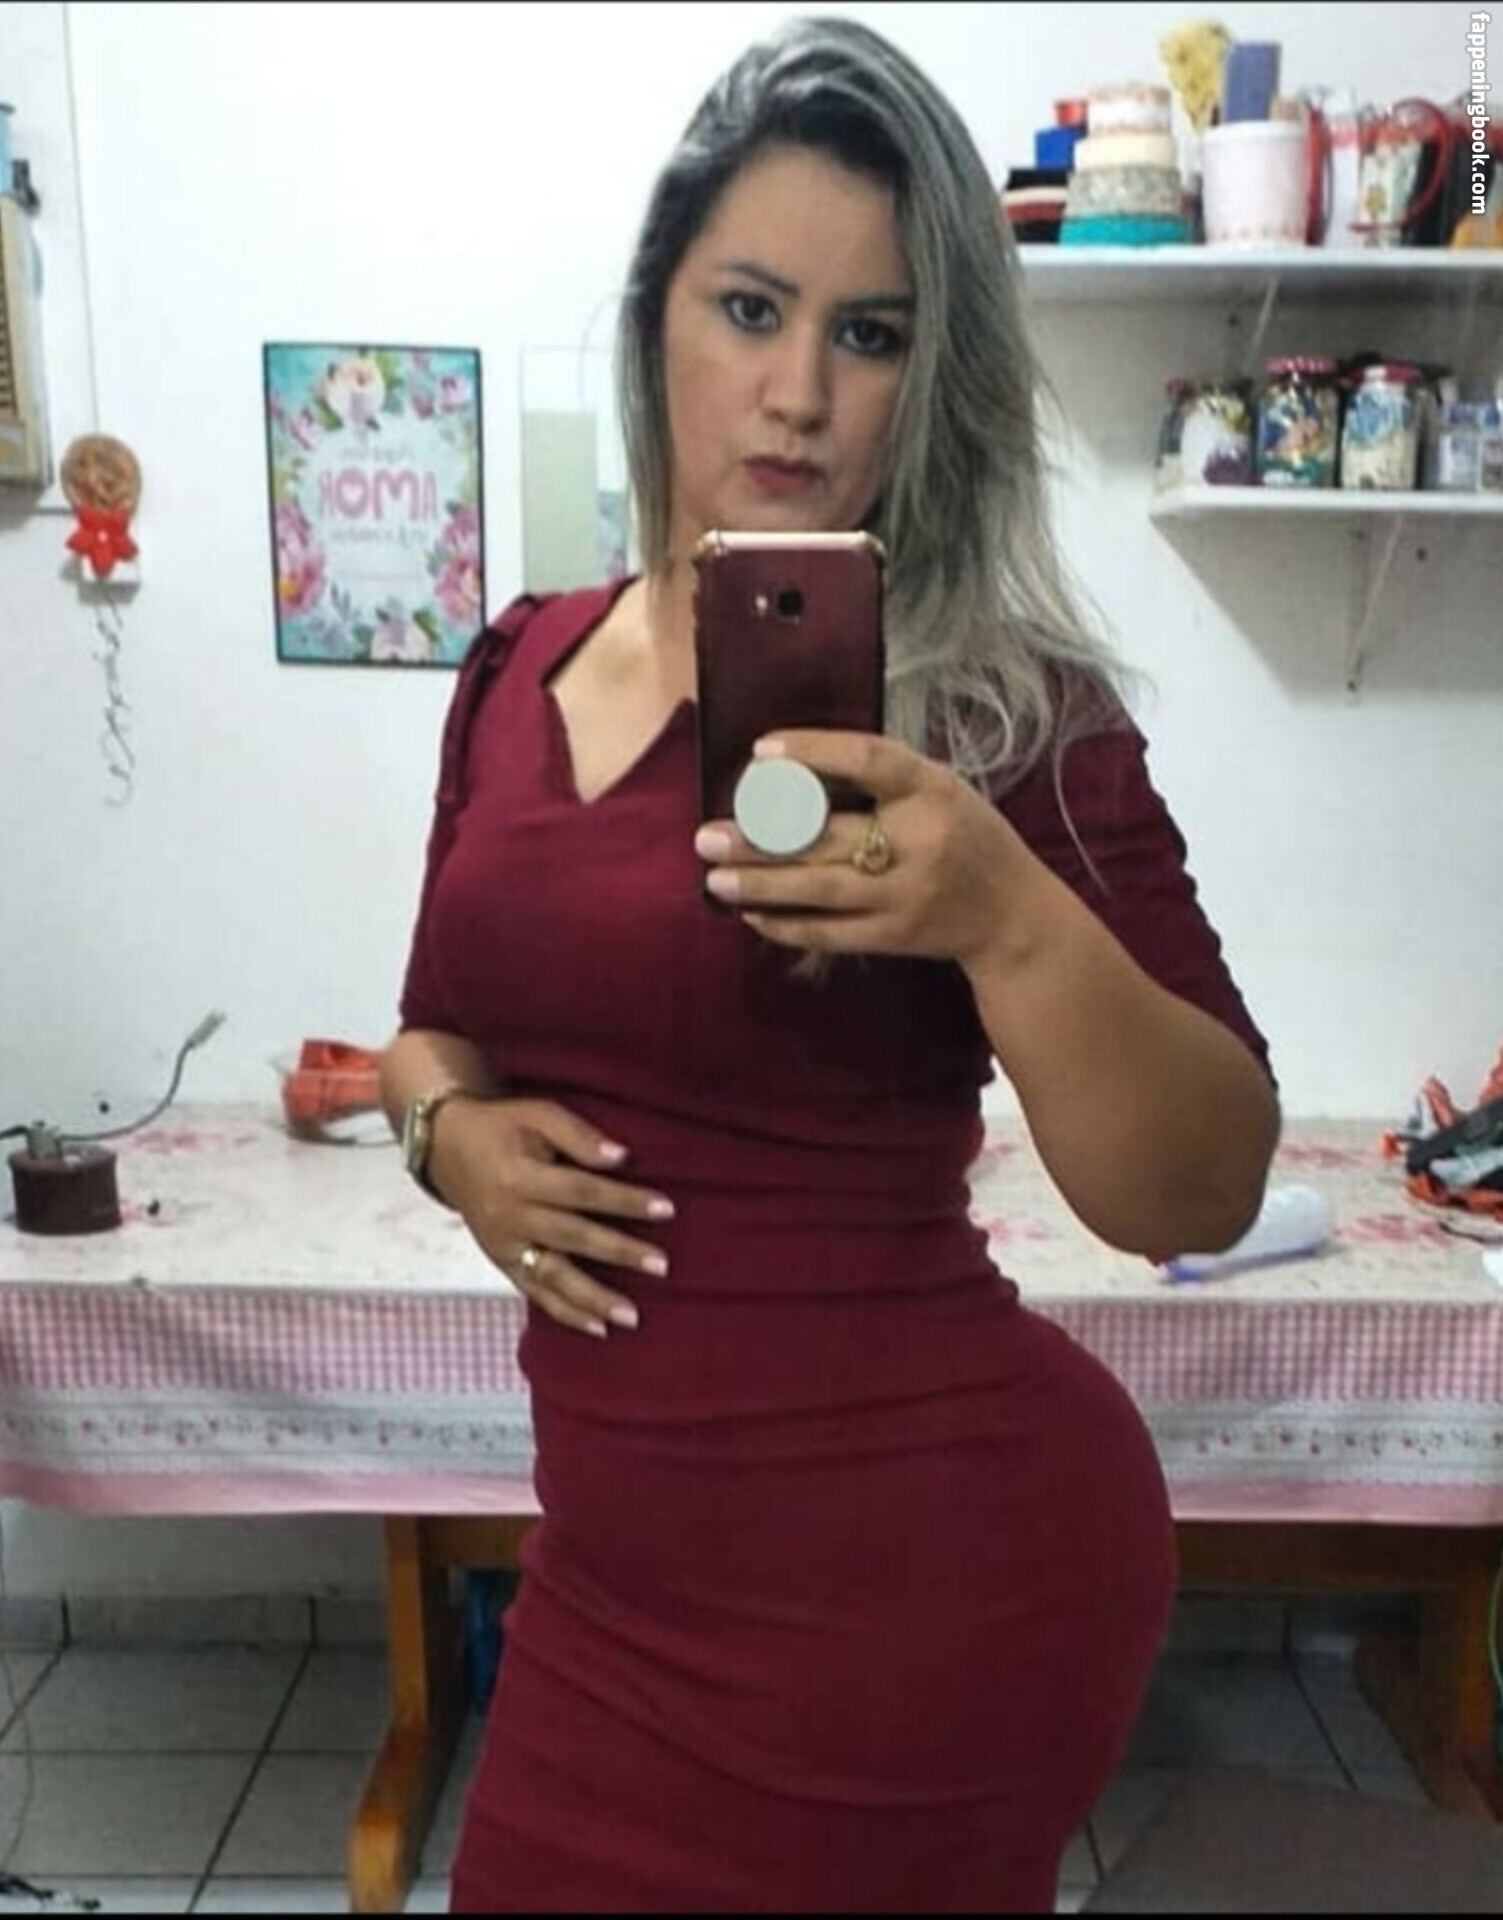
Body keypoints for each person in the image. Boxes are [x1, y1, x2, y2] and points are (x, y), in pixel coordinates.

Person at [379, 14, 1281, 1912]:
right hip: (608, 1595)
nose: (798, 392)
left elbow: (1202, 1185)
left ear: (927, 379)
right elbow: (432, 1027)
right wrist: (447, 1139)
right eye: (750, 309)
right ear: (656, 320)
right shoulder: (516, 665)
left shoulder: (1004, 710)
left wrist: (1002, 913)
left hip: (923, 1585)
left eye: (869, 334)